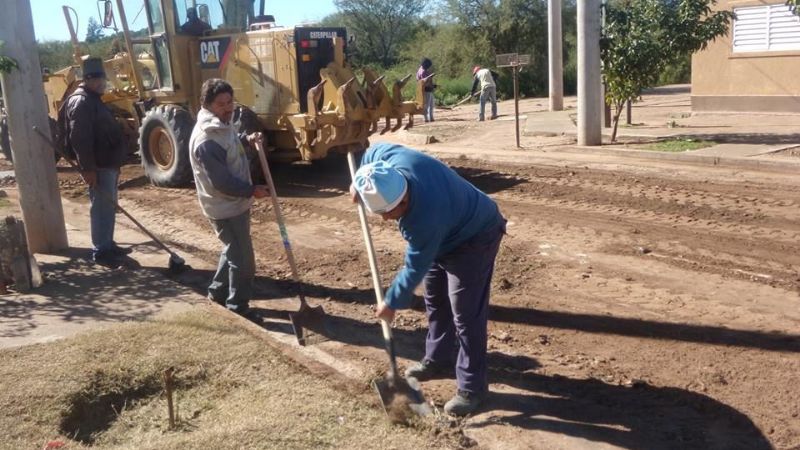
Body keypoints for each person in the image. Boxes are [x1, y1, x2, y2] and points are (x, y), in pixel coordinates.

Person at [351, 143, 506, 416]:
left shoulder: (423, 218)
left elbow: (414, 267)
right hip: (446, 233)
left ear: (404, 200)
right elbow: (369, 155)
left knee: (466, 314)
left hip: (475, 235)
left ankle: (473, 388)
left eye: (389, 212)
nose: (386, 219)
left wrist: (392, 302)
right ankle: (439, 359)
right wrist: (356, 185)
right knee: (435, 300)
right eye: (380, 212)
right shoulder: (386, 161)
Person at [189, 78, 269, 320]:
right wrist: (251, 190)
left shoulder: (221, 124)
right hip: (225, 207)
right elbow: (221, 182)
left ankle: (217, 292)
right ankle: (238, 308)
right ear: (207, 104)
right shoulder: (207, 137)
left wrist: (246, 139)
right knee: (244, 261)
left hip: (232, 204)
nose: (228, 107)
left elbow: (230, 141)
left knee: (232, 250)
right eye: (221, 103)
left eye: (229, 101)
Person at [65, 57, 130, 266]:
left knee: (108, 206)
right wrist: (88, 168)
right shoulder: (82, 101)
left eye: (104, 79)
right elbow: (80, 138)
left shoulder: (94, 99)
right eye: (99, 79)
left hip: (107, 163)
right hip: (98, 166)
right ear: (88, 79)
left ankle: (108, 243)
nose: (103, 83)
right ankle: (101, 250)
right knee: (101, 206)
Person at [416, 58, 436, 122]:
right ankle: (426, 118)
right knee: (426, 105)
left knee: (431, 105)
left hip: (427, 89)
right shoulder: (423, 71)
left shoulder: (420, 70)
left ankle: (430, 117)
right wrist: (432, 85)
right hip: (426, 90)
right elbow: (425, 82)